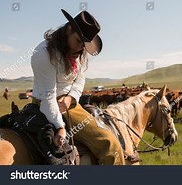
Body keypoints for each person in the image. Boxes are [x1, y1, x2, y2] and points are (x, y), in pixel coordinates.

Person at [31, 9, 125, 165]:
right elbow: (48, 97)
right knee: (110, 144)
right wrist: (60, 127)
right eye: (79, 41)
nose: (81, 48)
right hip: (51, 103)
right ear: (69, 29)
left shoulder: (78, 52)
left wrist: (70, 98)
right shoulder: (44, 53)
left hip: (69, 102)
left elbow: (80, 78)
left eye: (84, 44)